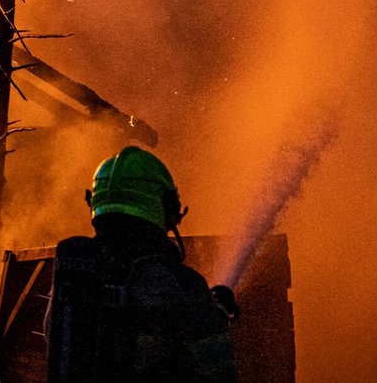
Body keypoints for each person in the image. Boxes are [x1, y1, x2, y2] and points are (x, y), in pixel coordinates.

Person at [46, 147, 238, 382]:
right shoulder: (182, 285)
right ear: (164, 206)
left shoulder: (77, 273)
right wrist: (213, 313)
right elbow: (219, 373)